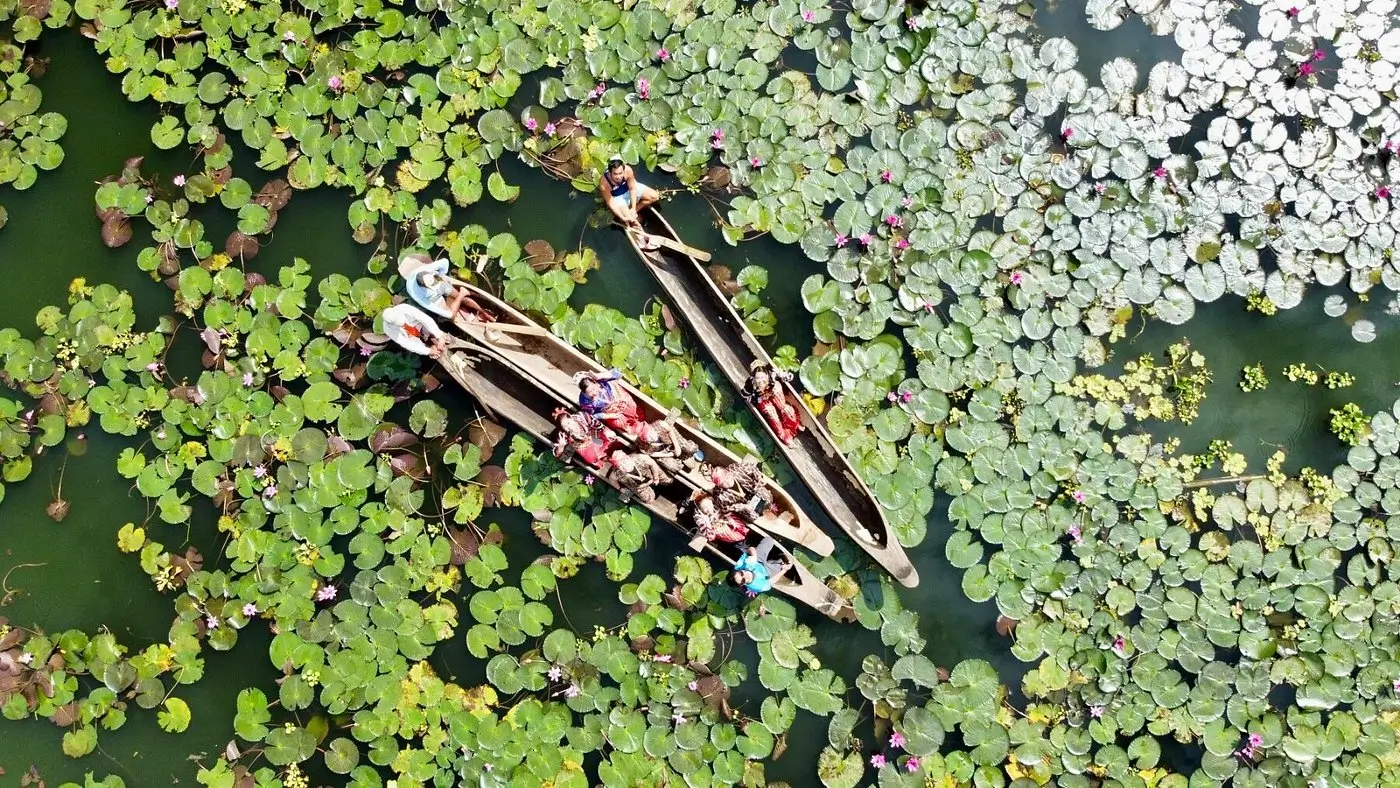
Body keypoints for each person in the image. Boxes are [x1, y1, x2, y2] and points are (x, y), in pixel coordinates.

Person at [398, 255, 496, 324]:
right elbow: (432, 307)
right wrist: (447, 314)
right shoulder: (416, 293)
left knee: (457, 301)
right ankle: (465, 300)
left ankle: (483, 311)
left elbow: (445, 262)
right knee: (451, 314)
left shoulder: (428, 269)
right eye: (430, 285)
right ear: (423, 286)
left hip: (440, 282)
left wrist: (441, 275)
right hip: (432, 297)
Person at [742, 361, 805, 445]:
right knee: (771, 413)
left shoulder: (772, 374)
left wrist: (783, 375)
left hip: (773, 392)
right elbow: (745, 396)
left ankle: (795, 424)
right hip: (763, 399)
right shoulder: (751, 384)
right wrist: (758, 399)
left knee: (786, 409)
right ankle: (785, 436)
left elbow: (788, 377)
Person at [576, 369, 646, 436]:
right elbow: (592, 416)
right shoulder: (585, 402)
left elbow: (618, 373)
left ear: (594, 382)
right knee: (620, 423)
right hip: (608, 410)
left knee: (632, 407)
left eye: (594, 389)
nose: (594, 393)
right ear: (584, 393)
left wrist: (600, 376)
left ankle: (636, 417)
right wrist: (608, 416)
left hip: (618, 396)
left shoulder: (600, 380)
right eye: (589, 392)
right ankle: (631, 426)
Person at [598, 158, 660, 226]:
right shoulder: (604, 183)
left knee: (655, 196)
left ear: (623, 171)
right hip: (618, 197)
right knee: (629, 220)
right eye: (615, 174)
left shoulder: (628, 170)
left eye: (620, 173)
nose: (618, 177)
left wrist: (633, 208)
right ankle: (629, 217)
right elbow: (611, 204)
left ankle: (634, 210)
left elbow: (632, 189)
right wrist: (623, 218)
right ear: (610, 172)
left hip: (628, 189)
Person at [706, 459, 773, 521]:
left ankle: (769, 505)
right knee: (753, 517)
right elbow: (726, 508)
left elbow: (751, 467)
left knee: (768, 498)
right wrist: (743, 507)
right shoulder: (720, 496)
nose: (728, 481)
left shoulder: (736, 469)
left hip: (754, 491)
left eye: (727, 477)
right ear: (719, 486)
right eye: (724, 483)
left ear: (728, 472)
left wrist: (759, 477)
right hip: (746, 503)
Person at [635, 416, 701, 475]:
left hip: (670, 439)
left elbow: (670, 430)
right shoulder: (642, 445)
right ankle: (679, 458)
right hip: (662, 451)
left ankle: (684, 453)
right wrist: (670, 454)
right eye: (650, 439)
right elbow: (652, 454)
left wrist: (677, 447)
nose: (652, 437)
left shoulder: (659, 424)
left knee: (691, 448)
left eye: (651, 434)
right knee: (673, 466)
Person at [381, 303, 449, 358]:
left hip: (419, 325)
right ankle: (431, 348)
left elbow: (426, 320)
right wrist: (428, 351)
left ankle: (438, 338)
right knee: (419, 346)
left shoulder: (404, 308)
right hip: (410, 335)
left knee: (436, 333)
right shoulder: (388, 329)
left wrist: (439, 335)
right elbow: (406, 343)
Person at [684, 493, 749, 544]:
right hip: (719, 528)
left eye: (709, 505)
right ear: (701, 510)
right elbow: (709, 534)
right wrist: (707, 522)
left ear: (711, 502)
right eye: (705, 508)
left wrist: (729, 518)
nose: (708, 509)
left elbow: (727, 509)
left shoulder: (717, 503)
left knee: (736, 523)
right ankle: (740, 539)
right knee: (726, 532)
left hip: (725, 518)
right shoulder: (700, 516)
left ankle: (745, 532)